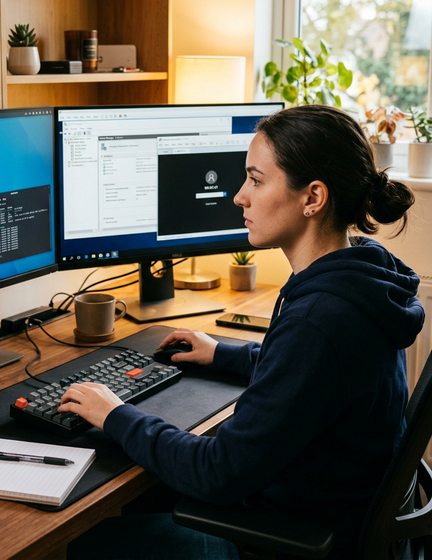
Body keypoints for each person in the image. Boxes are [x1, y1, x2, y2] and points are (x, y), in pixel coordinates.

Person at [59, 104, 426, 559]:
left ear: (312, 198)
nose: (239, 197)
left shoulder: (320, 319)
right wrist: (224, 353)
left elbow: (217, 472)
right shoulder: (361, 280)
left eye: (255, 180)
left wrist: (114, 414)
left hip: (295, 541)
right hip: (339, 517)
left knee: (82, 543)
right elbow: (314, 377)